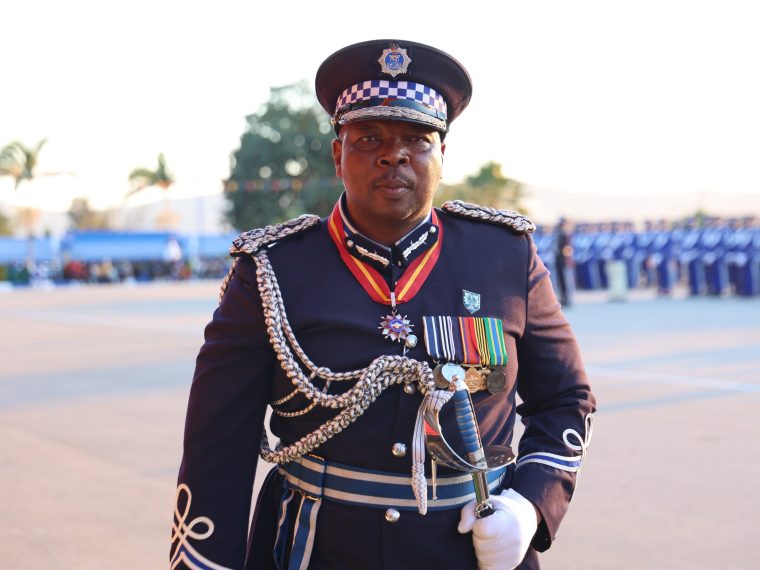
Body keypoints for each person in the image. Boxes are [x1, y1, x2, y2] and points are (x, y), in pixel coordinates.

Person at [171, 39, 596, 570]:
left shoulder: (504, 257)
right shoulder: (271, 270)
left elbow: (566, 399)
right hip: (314, 551)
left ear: (443, 156)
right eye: (369, 137)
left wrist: (529, 505)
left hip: (472, 552)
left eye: (417, 139)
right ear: (337, 155)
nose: (394, 154)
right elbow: (217, 444)